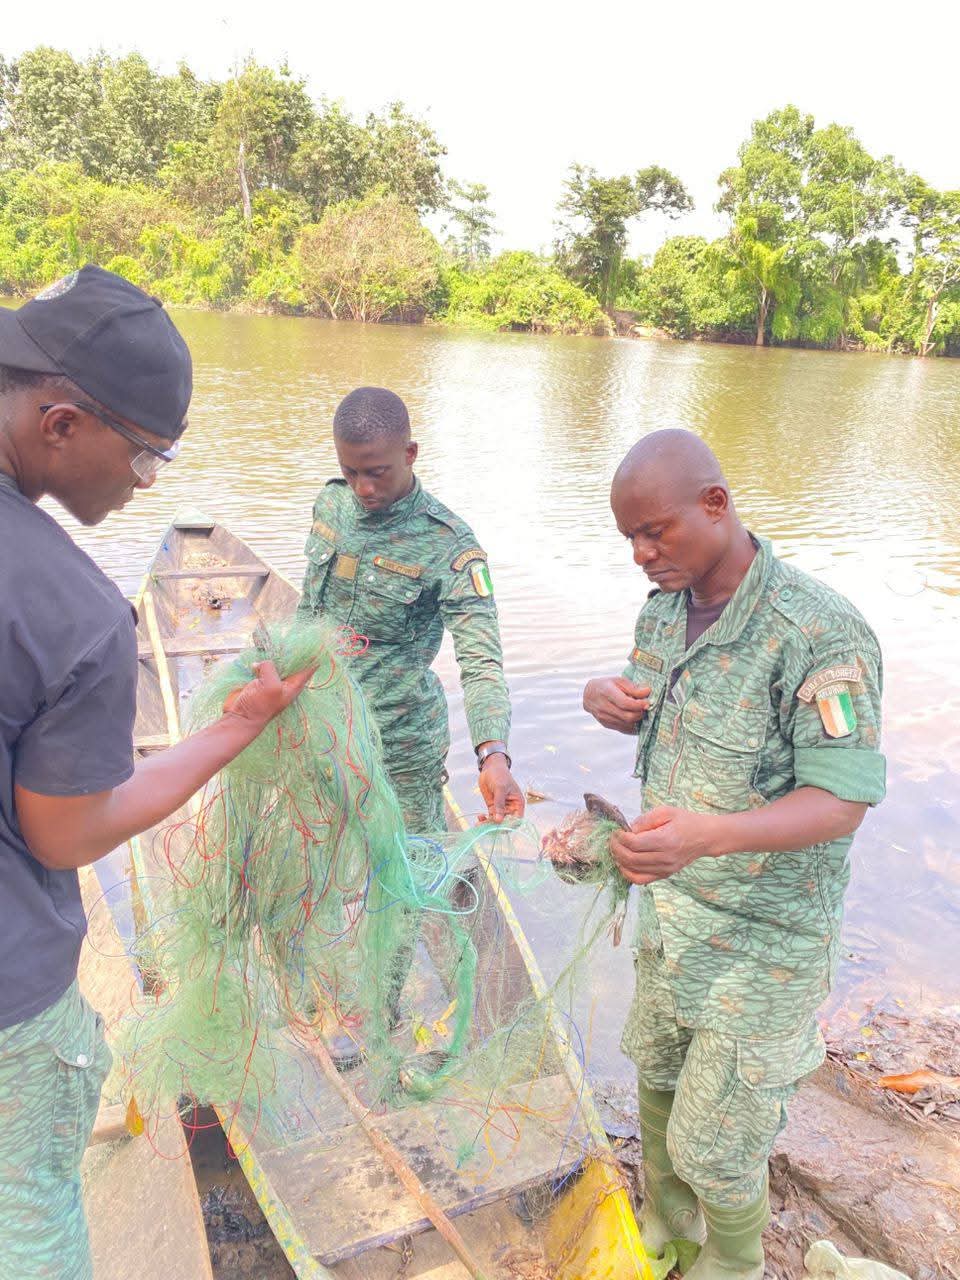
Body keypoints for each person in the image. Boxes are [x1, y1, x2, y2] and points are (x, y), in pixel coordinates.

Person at [0, 266, 312, 1280]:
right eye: (146, 455)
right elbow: (67, 833)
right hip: (10, 1000)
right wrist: (231, 731)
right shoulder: (70, 608)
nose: (149, 483)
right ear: (59, 422)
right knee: (33, 1234)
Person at [581, 429, 885, 1280]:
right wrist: (605, 698)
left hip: (766, 942)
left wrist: (710, 834)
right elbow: (659, 702)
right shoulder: (665, 607)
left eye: (656, 532)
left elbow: (844, 799)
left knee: (721, 1136)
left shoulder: (818, 633)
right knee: (658, 1083)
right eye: (629, 540)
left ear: (716, 505)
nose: (642, 555)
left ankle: (736, 1260)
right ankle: (666, 1223)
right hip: (672, 916)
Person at [297, 387, 524, 1063]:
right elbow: (309, 613)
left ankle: (380, 1013)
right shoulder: (329, 504)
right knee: (318, 858)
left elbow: (480, 654)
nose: (364, 488)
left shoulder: (449, 547)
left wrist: (493, 751)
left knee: (397, 878)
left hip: (401, 744)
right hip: (322, 724)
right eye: (352, 471)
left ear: (410, 455)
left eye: (379, 472)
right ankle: (319, 992)